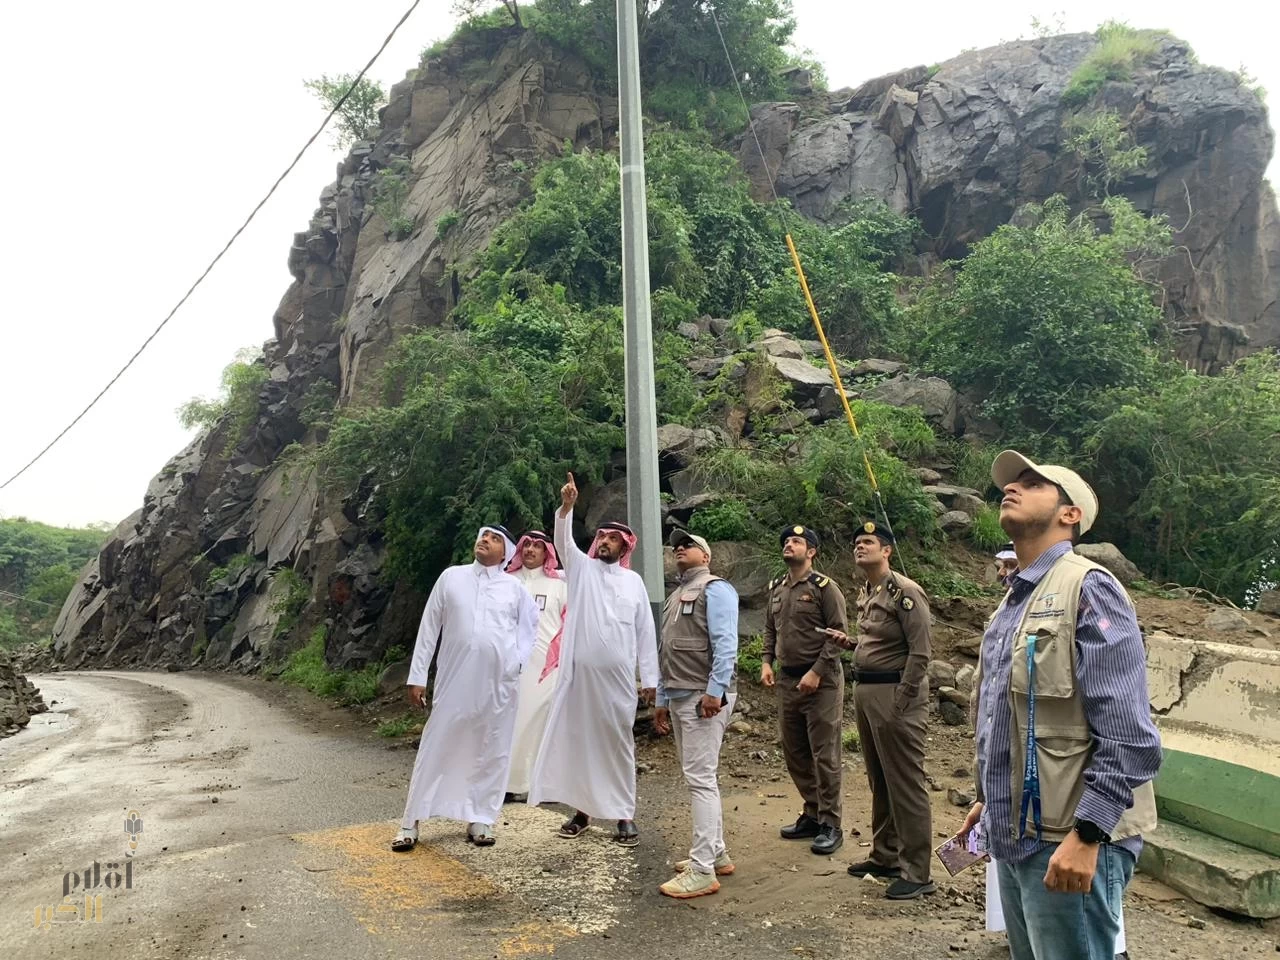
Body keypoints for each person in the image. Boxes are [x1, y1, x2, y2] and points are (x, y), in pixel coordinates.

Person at [959, 450, 1162, 960]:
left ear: (1070, 514)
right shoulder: (1014, 600)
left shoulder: (1088, 589)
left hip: (1071, 837)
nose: (1013, 486)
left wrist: (1089, 835)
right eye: (1012, 482)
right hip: (1016, 830)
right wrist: (988, 798)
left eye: (1033, 482)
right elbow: (1011, 718)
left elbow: (1130, 736)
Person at [527, 473, 659, 846]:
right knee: (581, 744)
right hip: (579, 680)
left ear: (624, 546)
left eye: (612, 538)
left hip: (616, 682)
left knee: (617, 745)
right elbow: (562, 542)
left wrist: (649, 679)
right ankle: (582, 813)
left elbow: (645, 633)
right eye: (601, 536)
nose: (604, 541)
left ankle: (624, 815)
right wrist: (567, 508)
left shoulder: (633, 584)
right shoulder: (581, 571)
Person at [392, 525, 539, 851]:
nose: (485, 540)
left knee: (491, 749)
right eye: (483, 535)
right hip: (454, 681)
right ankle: (409, 822)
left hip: (498, 687)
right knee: (436, 744)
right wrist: (417, 676)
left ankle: (481, 818)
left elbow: (530, 628)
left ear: (506, 553)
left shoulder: (514, 588)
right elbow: (429, 626)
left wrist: (516, 663)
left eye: (495, 538)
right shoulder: (451, 578)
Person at [835, 520, 936, 899]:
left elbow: (921, 652)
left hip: (895, 694)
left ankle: (917, 871)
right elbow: (878, 641)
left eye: (868, 542)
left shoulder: (904, 592)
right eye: (857, 542)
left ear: (887, 551)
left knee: (905, 784)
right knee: (880, 779)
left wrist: (902, 700)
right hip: (868, 691)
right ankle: (886, 854)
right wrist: (851, 643)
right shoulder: (869, 591)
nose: (860, 547)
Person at [653, 529, 740, 899]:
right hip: (680, 693)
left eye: (688, 545)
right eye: (677, 546)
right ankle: (715, 854)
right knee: (702, 776)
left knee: (700, 779)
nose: (679, 549)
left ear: (706, 556)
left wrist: (715, 691)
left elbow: (726, 643)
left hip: (701, 697)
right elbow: (666, 650)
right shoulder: (676, 596)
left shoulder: (716, 588)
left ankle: (702, 869)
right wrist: (661, 697)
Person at [761, 524, 849, 856]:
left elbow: (837, 634)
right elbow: (770, 628)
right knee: (794, 751)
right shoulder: (777, 588)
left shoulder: (826, 588)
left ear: (811, 551)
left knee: (824, 754)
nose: (789, 544)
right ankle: (812, 812)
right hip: (787, 680)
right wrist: (767, 661)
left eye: (796, 541)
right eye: (786, 540)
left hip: (821, 682)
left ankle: (831, 823)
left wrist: (816, 672)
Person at [503, 530, 568, 803]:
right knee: (508, 722)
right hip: (507, 666)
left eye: (537, 546)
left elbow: (569, 624)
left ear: (547, 553)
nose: (530, 549)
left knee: (541, 722)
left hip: (546, 667)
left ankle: (541, 785)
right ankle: (507, 783)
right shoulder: (505, 581)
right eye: (526, 544)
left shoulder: (560, 584)